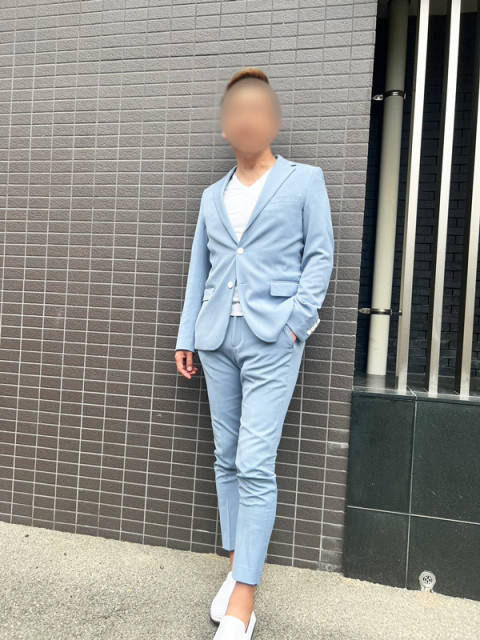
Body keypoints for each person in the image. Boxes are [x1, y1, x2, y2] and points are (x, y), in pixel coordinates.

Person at [174, 67, 334, 640]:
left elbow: (320, 257)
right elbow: (200, 268)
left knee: (255, 461)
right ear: (225, 127)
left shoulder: (304, 181)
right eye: (236, 112)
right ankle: (236, 567)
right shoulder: (211, 196)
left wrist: (296, 325)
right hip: (216, 339)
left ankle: (245, 599)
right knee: (225, 457)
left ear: (273, 120)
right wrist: (187, 334)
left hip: (273, 339)